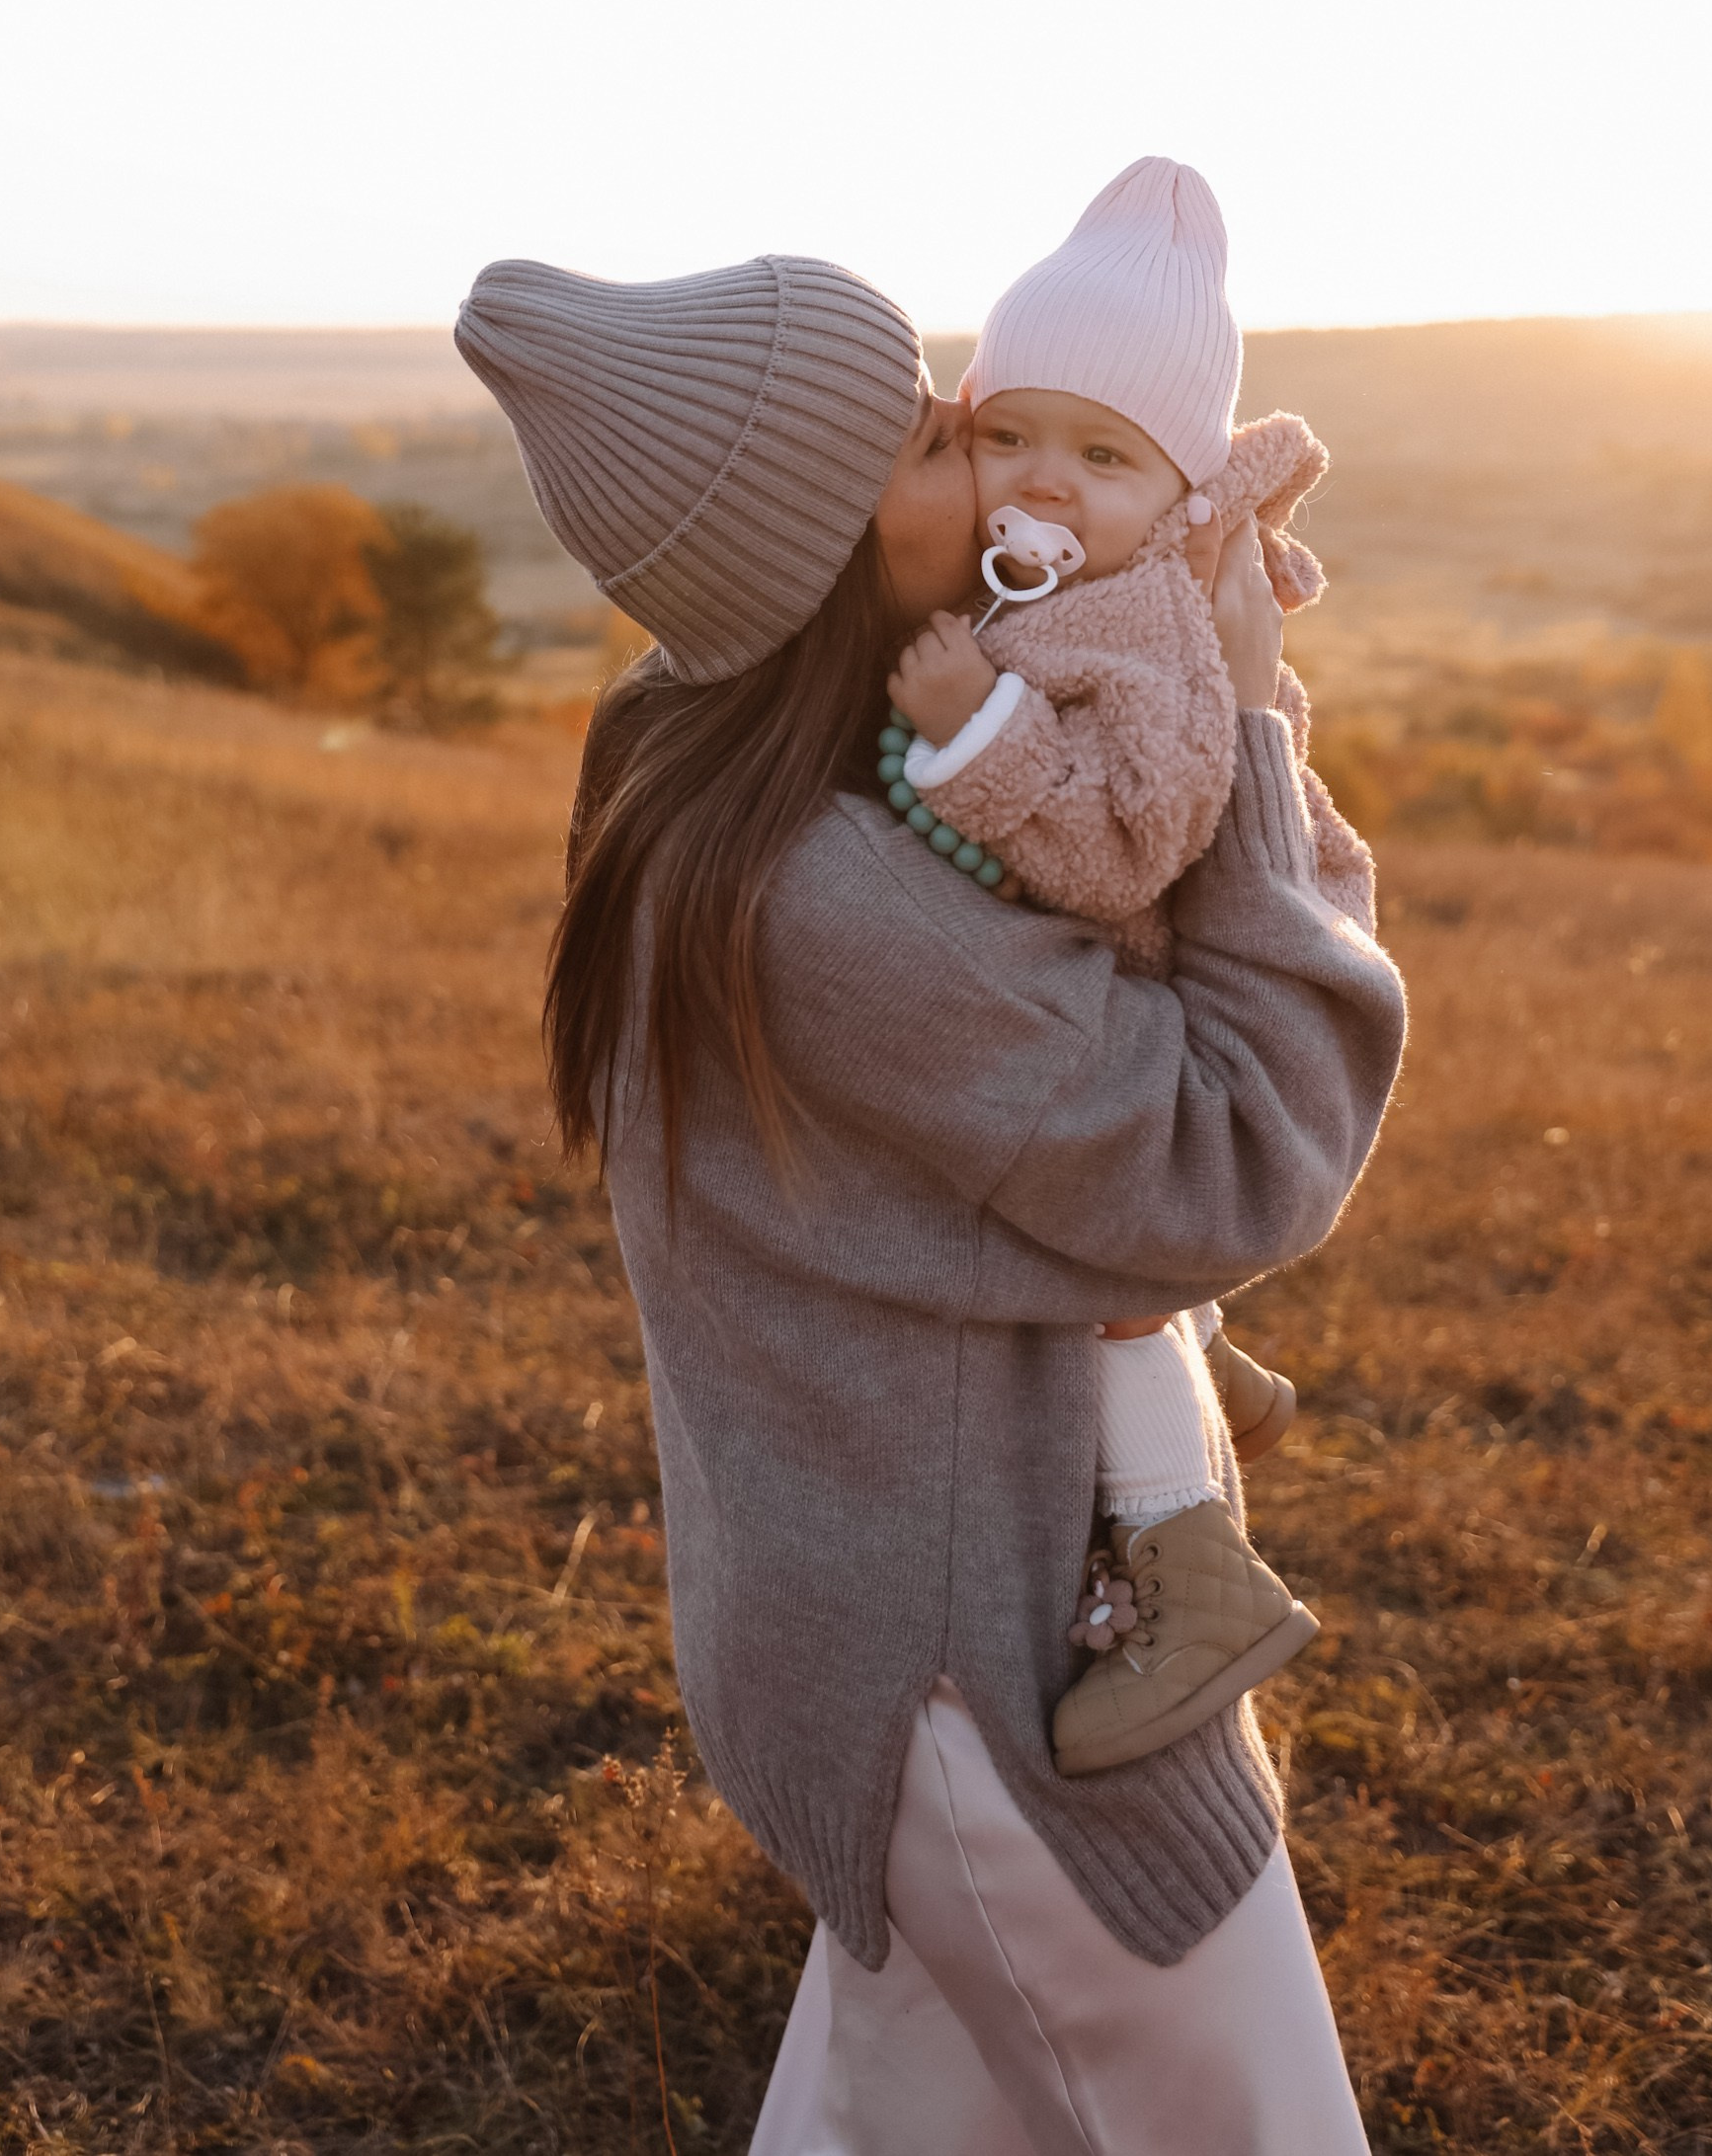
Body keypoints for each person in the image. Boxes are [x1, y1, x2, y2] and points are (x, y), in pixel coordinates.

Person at [454, 241, 1407, 2156]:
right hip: (998, 1678)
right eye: (916, 434)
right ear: (815, 552)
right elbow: (1239, 1149)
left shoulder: (693, 753)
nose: (978, 437)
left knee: (909, 2107)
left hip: (876, 1614)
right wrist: (1237, 740)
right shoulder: (842, 896)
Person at [881, 160, 1377, 1780]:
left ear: (1177, 487)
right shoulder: (1065, 588)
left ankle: (1190, 1571)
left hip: (1192, 956)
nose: (1043, 480)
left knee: (1103, 1275)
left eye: (1101, 455)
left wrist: (976, 729)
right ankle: (1210, 1361)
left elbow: (1126, 853)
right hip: (1143, 955)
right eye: (1007, 432)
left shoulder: (1146, 620)